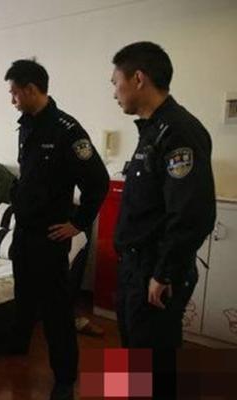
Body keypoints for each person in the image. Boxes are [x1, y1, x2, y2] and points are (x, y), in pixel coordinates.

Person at [4, 59, 110, 400]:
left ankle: (64, 376)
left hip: (49, 236)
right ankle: (18, 346)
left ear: (31, 89)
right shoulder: (26, 125)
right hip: (24, 230)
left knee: (56, 310)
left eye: (14, 93)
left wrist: (78, 224)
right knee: (23, 295)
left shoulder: (67, 130)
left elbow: (98, 182)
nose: (12, 100)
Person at [111, 41, 216, 349]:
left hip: (155, 271)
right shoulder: (152, 130)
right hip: (135, 266)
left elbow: (191, 213)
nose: (114, 93)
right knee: (131, 351)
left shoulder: (179, 131)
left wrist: (164, 274)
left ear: (138, 79)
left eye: (116, 83)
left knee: (152, 359)